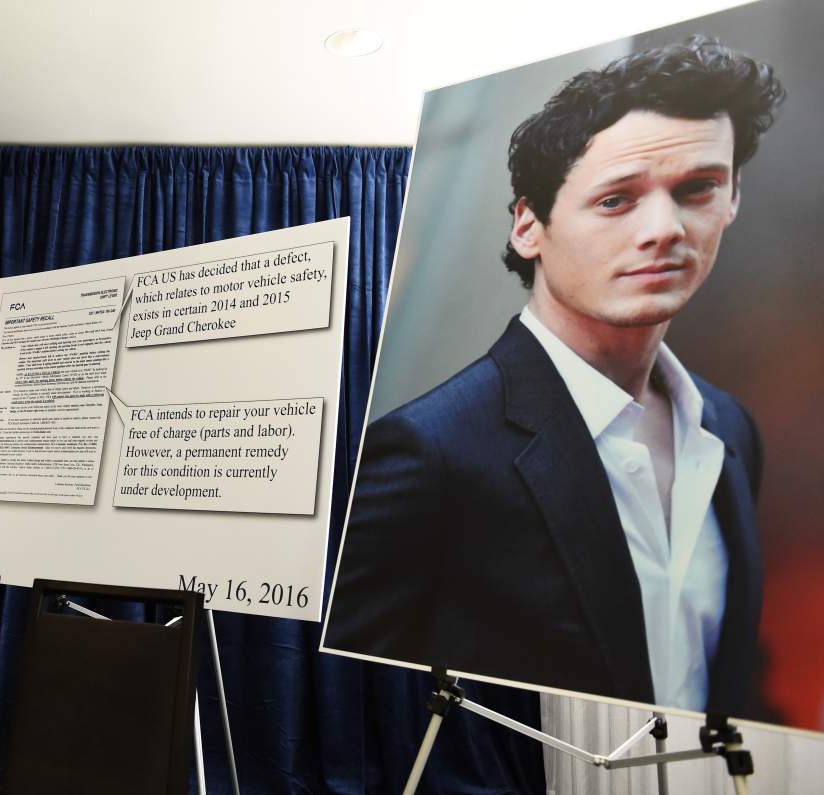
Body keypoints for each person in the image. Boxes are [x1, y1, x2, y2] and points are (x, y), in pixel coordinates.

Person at [324, 38, 784, 715]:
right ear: (529, 226)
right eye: (616, 200)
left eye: (697, 189)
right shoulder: (429, 451)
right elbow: (348, 709)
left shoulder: (729, 427)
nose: (664, 229)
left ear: (734, 199)